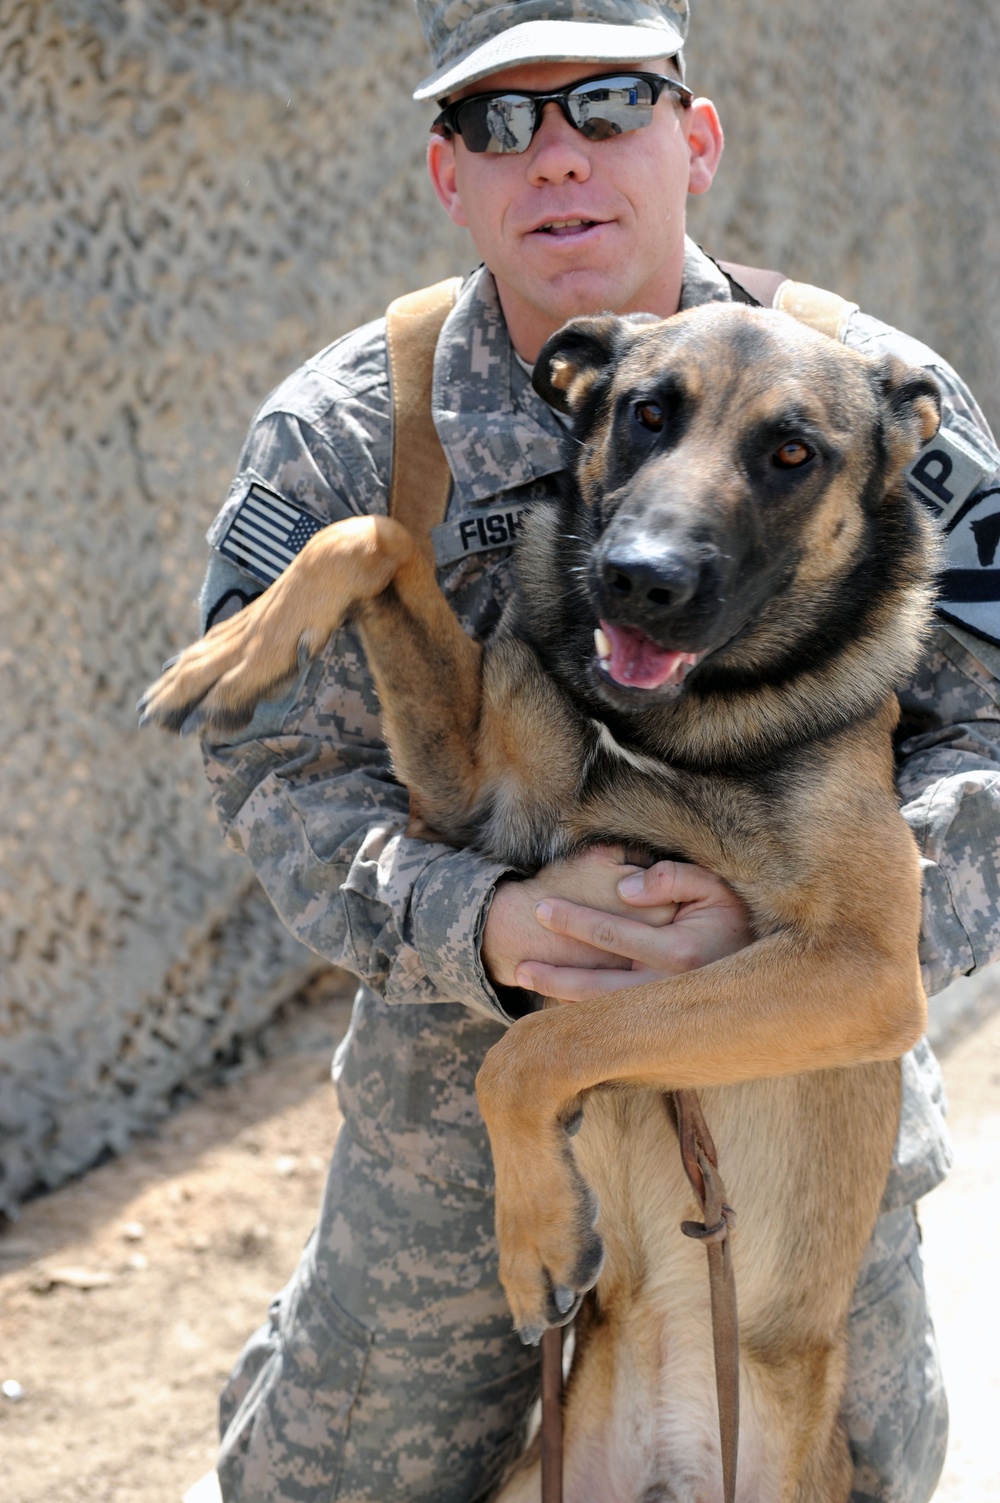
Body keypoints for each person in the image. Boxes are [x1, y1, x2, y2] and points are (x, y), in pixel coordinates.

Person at [192, 4, 1000, 1500]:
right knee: (338, 1483)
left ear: (694, 138)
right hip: (461, 1058)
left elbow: (995, 725)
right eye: (500, 122)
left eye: (607, 105)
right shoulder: (345, 431)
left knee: (872, 1462)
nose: (554, 157)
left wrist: (834, 912)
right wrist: (483, 927)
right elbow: (274, 775)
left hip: (789, 1051)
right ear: (449, 175)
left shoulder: (878, 395)